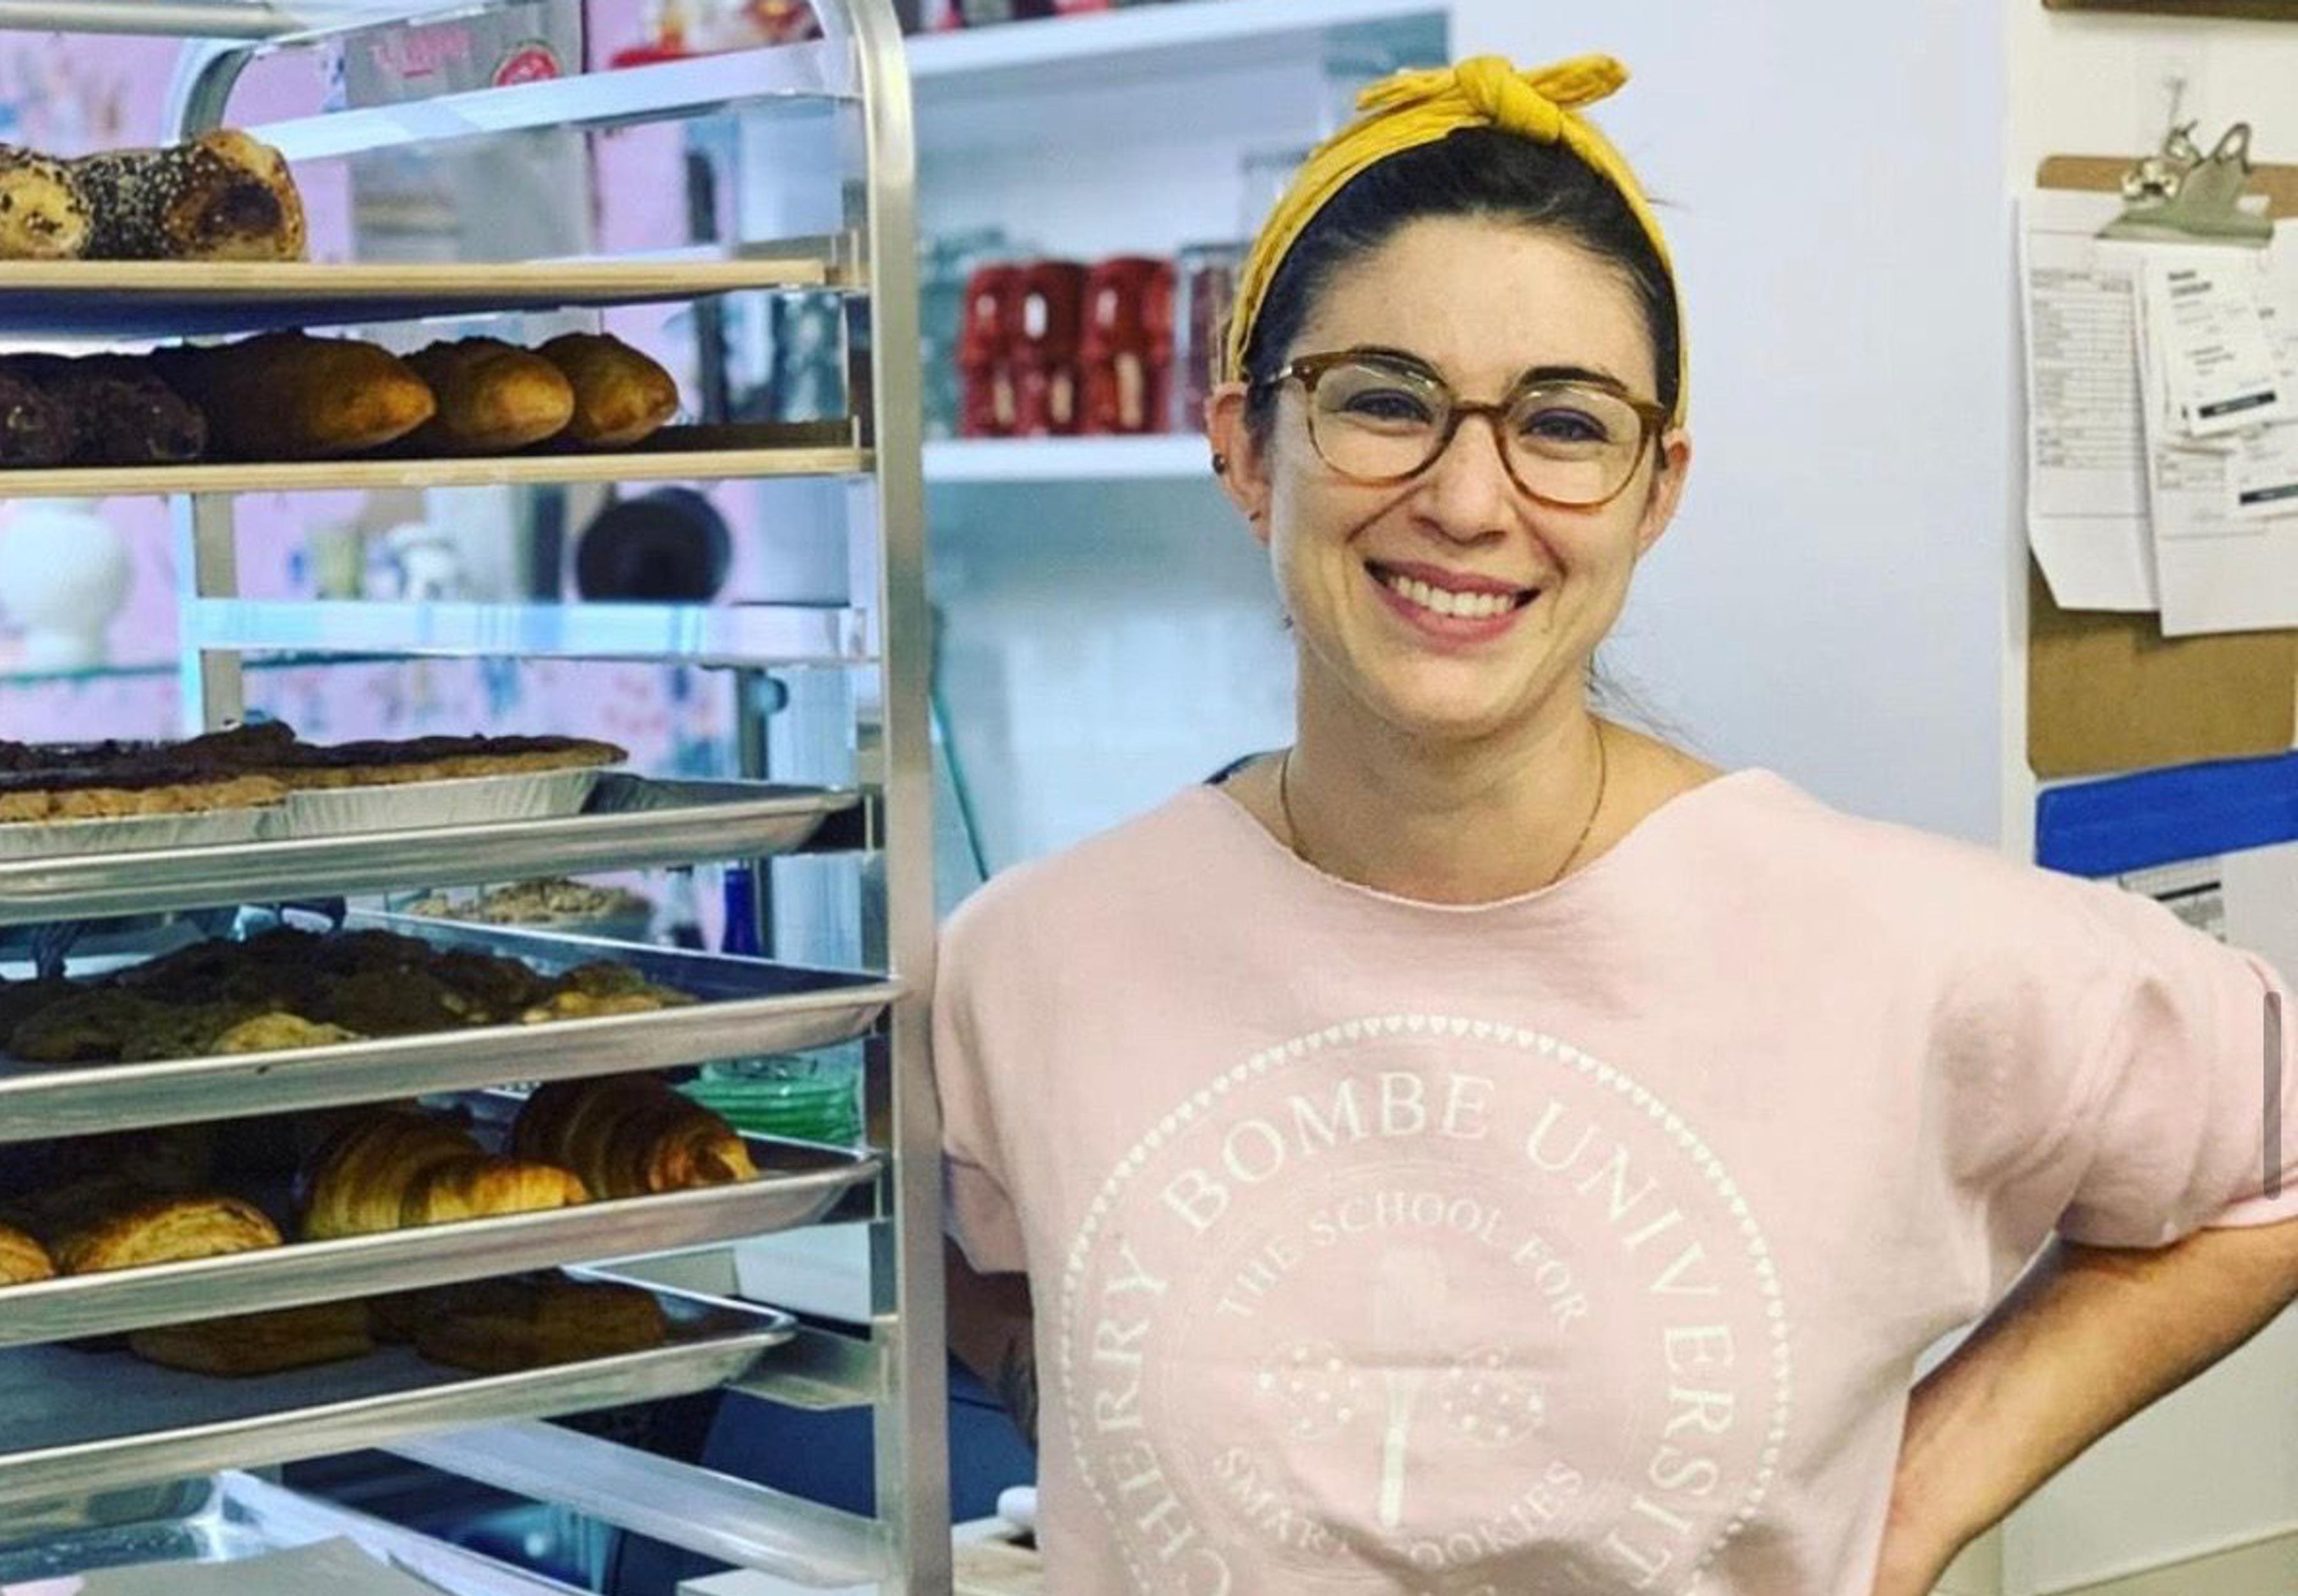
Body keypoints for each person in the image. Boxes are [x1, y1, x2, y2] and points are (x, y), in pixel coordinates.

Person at [935, 53, 2298, 1596]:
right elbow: (941, 1251)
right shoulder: (1035, 961)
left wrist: (1908, 1508)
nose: (1466, 498)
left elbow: (2271, 1160)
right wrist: (1076, 1410)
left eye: (1565, 425)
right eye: (1382, 401)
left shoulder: (1888, 944)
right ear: (1248, 447)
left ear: (1658, 490)